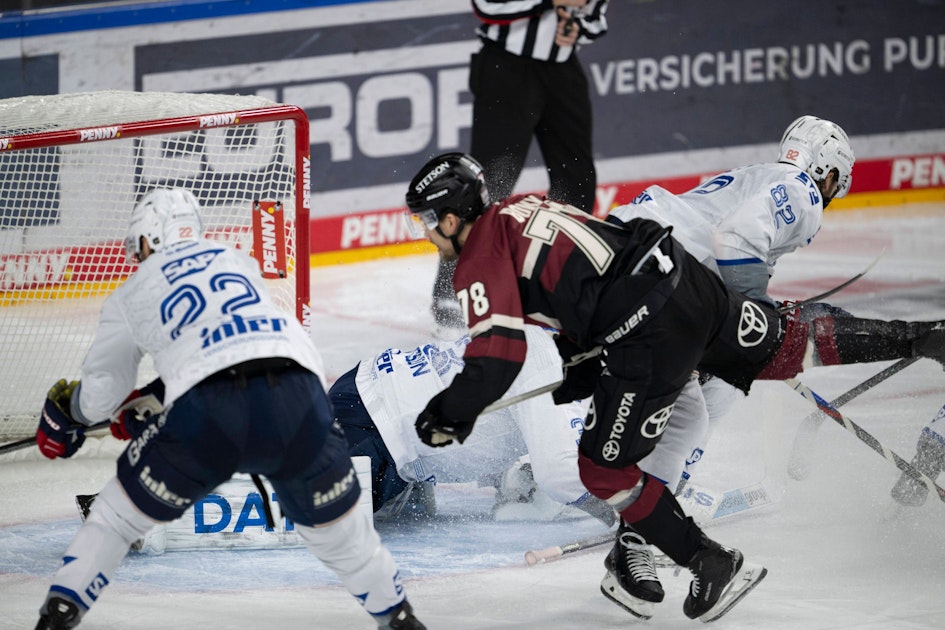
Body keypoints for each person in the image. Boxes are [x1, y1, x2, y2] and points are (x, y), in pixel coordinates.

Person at [402, 152, 945, 622]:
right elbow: (589, 264)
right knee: (771, 352)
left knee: (600, 470)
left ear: (452, 217)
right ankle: (923, 338)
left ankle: (709, 562)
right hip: (682, 276)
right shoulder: (521, 209)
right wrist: (582, 355)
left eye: (428, 222)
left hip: (646, 333)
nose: (427, 234)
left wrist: (447, 415)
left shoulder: (479, 258)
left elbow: (498, 356)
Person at [33, 188, 425, 630]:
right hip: (300, 396)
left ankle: (55, 620)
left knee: (113, 520)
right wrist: (162, 393)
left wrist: (64, 415)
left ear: (148, 238)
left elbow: (101, 398)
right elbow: (246, 343)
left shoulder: (132, 291)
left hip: (209, 410)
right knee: (344, 539)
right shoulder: (238, 262)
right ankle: (402, 620)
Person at [430, 0, 609, 334]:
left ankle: (561, 286)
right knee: (487, 188)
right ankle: (451, 290)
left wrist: (577, 26)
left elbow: (595, 12)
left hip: (562, 69)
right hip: (506, 69)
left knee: (577, 183)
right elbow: (486, 5)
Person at [329, 324, 615, 526]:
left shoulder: (546, 340)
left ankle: (406, 481)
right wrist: (627, 514)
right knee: (313, 516)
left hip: (371, 395)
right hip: (373, 427)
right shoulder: (552, 369)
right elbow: (559, 474)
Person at [890, 402, 945, 506]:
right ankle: (902, 509)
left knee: (917, 478)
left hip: (930, 438)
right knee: (915, 487)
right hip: (937, 443)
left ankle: (900, 507)